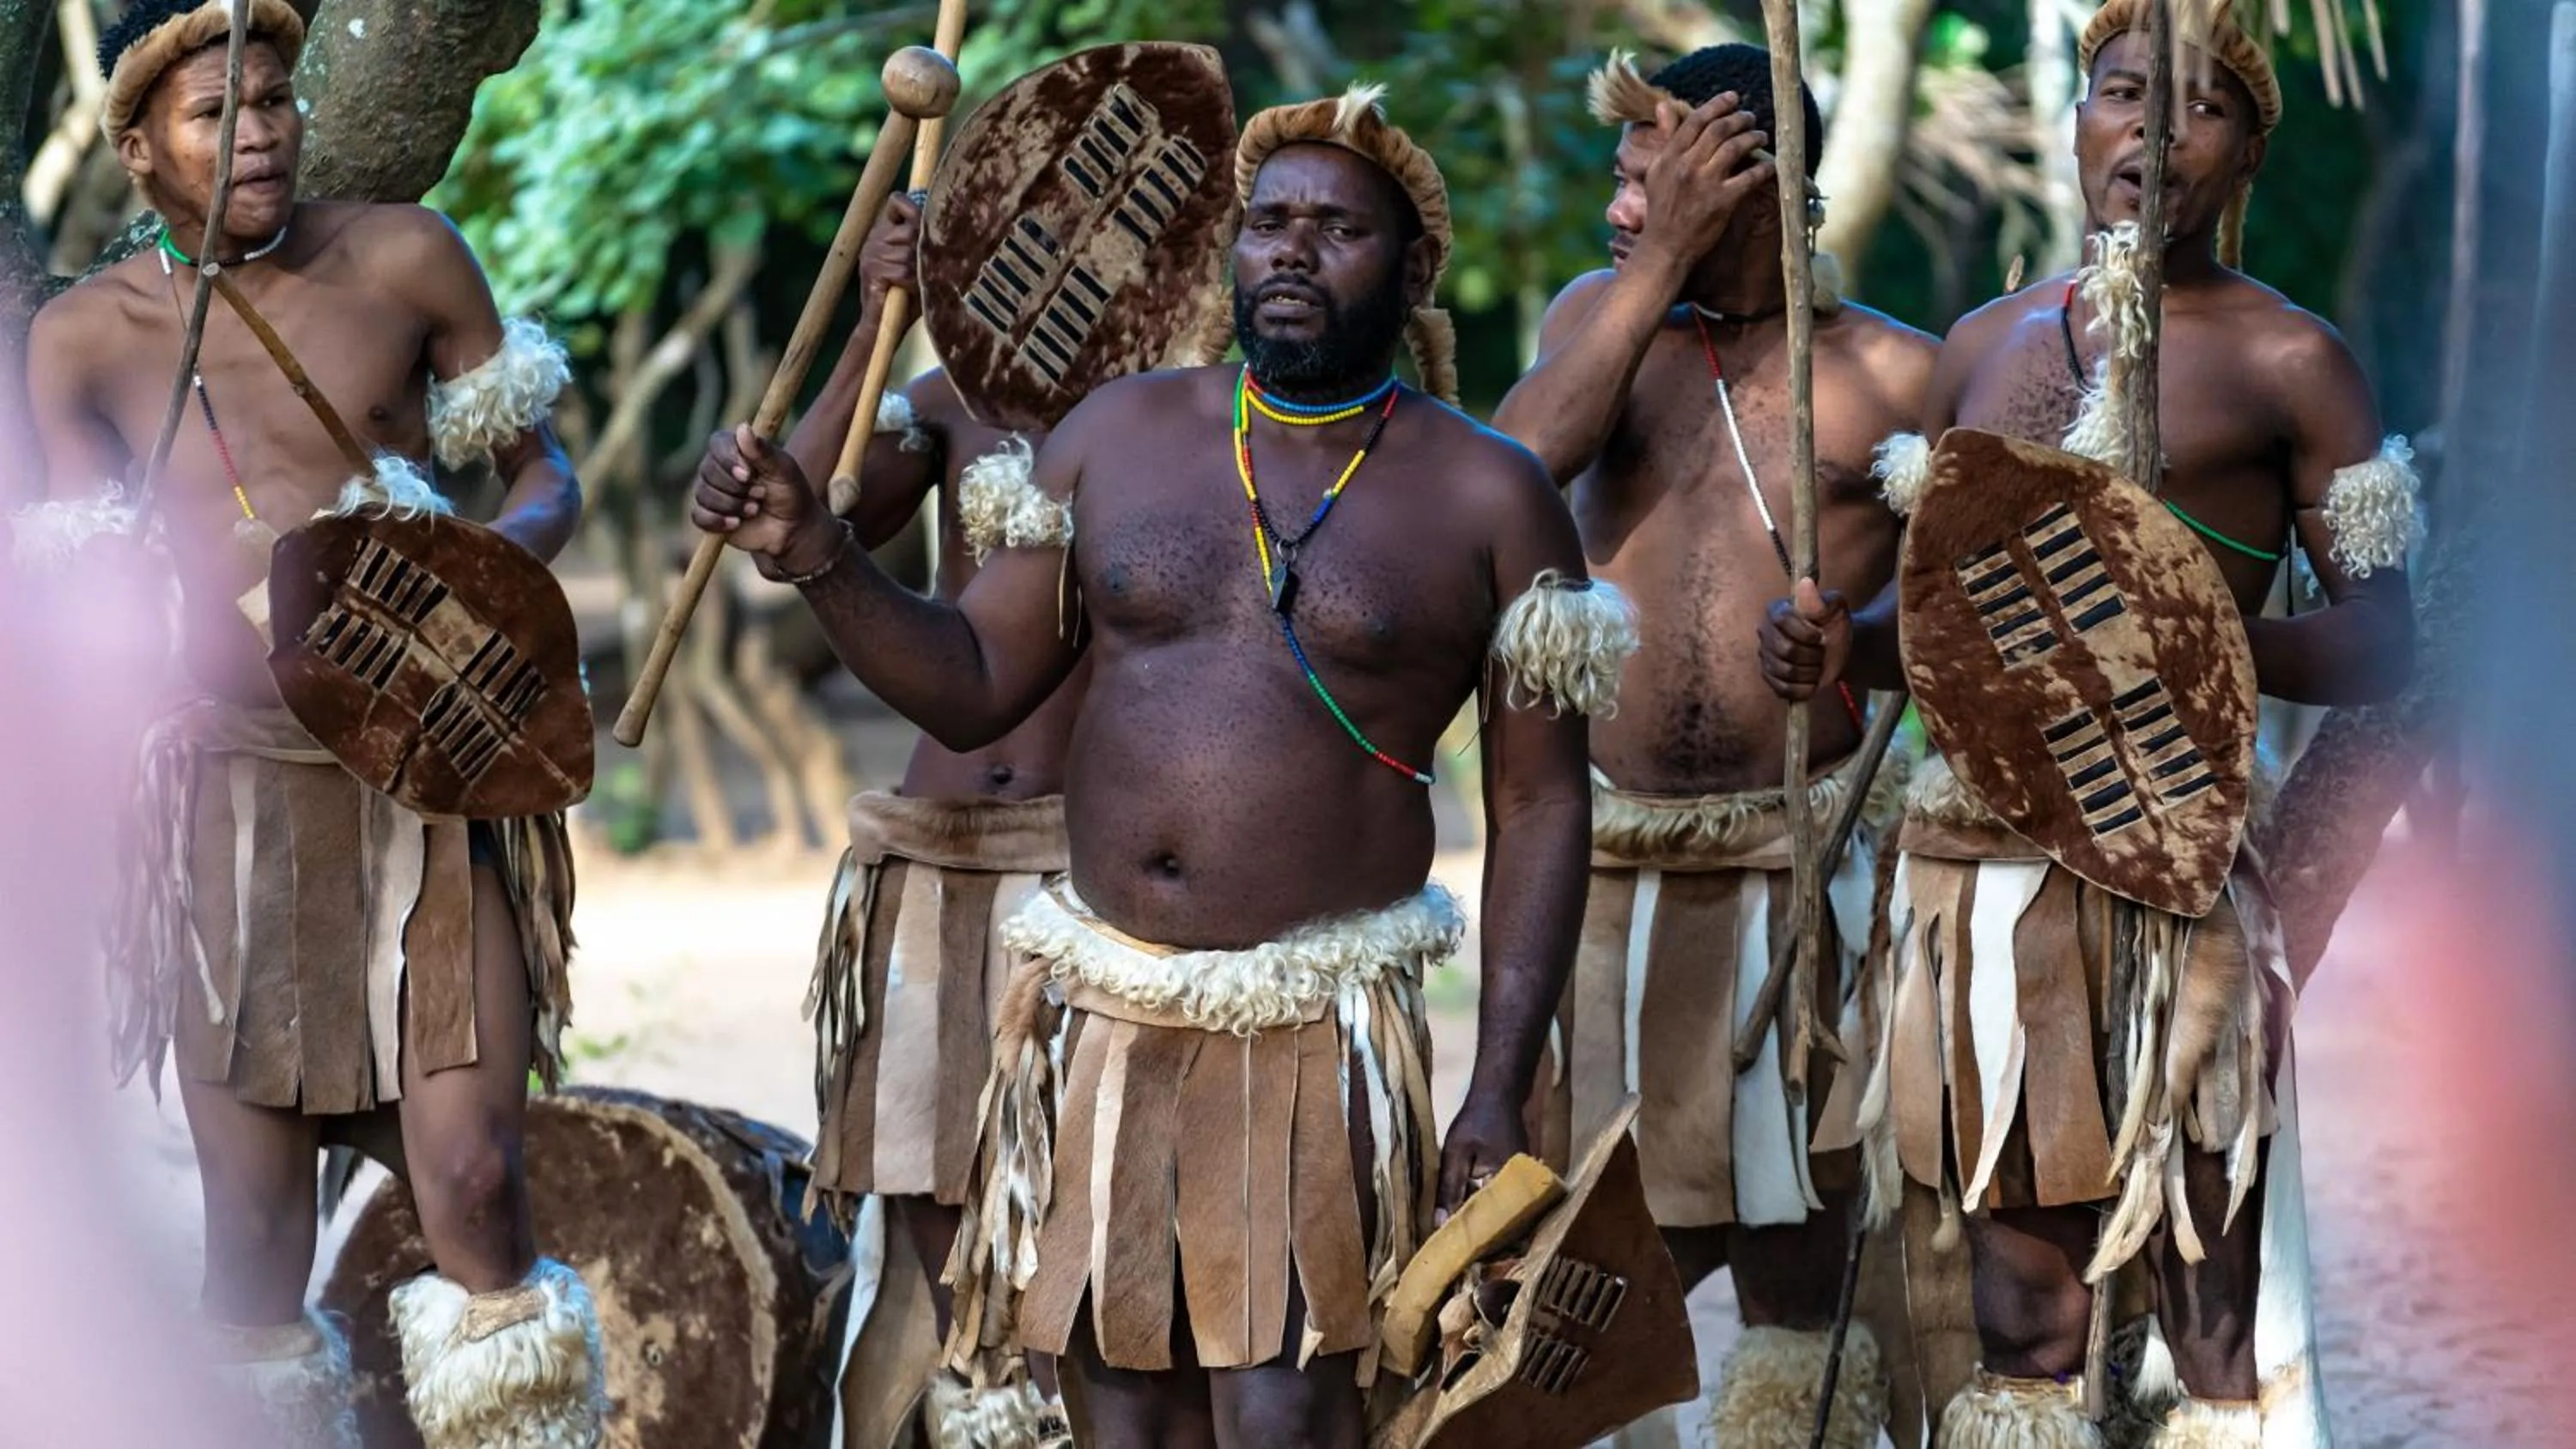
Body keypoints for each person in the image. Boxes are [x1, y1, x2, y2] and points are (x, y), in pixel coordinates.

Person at [692, 86, 1629, 1449]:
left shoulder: (1489, 496)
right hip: (1104, 1018)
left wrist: (1499, 1076)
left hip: (1316, 1030)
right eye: (1268, 225)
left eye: (1337, 230)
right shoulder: (1116, 439)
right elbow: (973, 687)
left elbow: (1546, 802)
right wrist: (819, 557)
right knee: (1121, 1410)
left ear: (1412, 267)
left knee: (1285, 1415)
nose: (1292, 254)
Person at [1758, 1, 2418, 1443]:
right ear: (2076, 121)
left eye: (2198, 108)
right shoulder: (1984, 345)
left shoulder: (2294, 363)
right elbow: (1935, 639)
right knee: (2026, 1310)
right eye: (2123, 93)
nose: (2152, 131)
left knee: (2208, 1299)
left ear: (2244, 154)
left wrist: (2203, 636)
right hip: (1980, 882)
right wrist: (1834, 650)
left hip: (2172, 868)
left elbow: (2384, 638)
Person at [14, 3, 604, 1444]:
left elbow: (544, 471)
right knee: (253, 1257)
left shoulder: (403, 256)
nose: (263, 131)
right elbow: (75, 592)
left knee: (472, 1188)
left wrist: (479, 568)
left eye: (276, 100)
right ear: (141, 147)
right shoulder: (83, 344)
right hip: (229, 809)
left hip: (428, 786)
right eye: (220, 113)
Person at [1491, 43, 1936, 1449]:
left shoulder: (1892, 373)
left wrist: (1853, 646)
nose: (1625, 207)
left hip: (1797, 864)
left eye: (1656, 182)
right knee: (1597, 1254)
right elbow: (1507, 470)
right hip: (1611, 864)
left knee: (1799, 1233)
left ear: (1757, 184)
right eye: (1628, 180)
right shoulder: (1597, 319)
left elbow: (1967, 622)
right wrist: (1651, 267)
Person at [771, 193, 1086, 1447]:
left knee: (1057, 1230)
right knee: (933, 1225)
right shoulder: (953, 401)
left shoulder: (1194, 417)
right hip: (936, 867)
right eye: (1022, 245)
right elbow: (800, 513)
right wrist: (874, 324)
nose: (1051, 274)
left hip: (1091, 889)